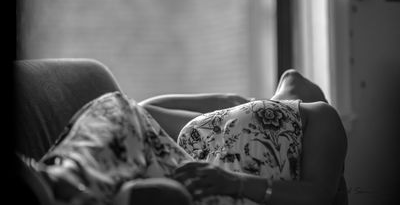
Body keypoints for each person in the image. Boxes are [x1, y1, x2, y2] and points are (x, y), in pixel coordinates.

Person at [20, 69, 347, 205]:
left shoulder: (320, 115)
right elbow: (141, 112)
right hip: (183, 177)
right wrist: (230, 101)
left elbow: (319, 194)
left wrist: (234, 182)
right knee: (116, 105)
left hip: (231, 193)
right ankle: (60, 179)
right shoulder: (223, 117)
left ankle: (83, 190)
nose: (290, 73)